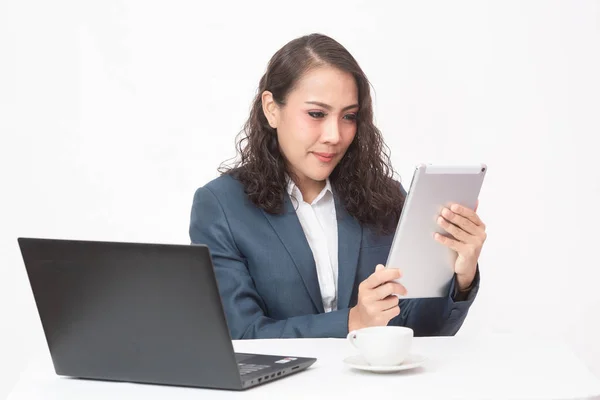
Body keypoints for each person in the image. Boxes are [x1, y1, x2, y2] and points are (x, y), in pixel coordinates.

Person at [189, 33, 487, 340]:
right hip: (282, 389)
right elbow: (242, 336)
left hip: (376, 387)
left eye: (349, 116)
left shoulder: (385, 197)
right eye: (316, 114)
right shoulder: (221, 205)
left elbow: (422, 332)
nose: (335, 135)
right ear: (272, 109)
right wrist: (353, 321)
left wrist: (462, 276)